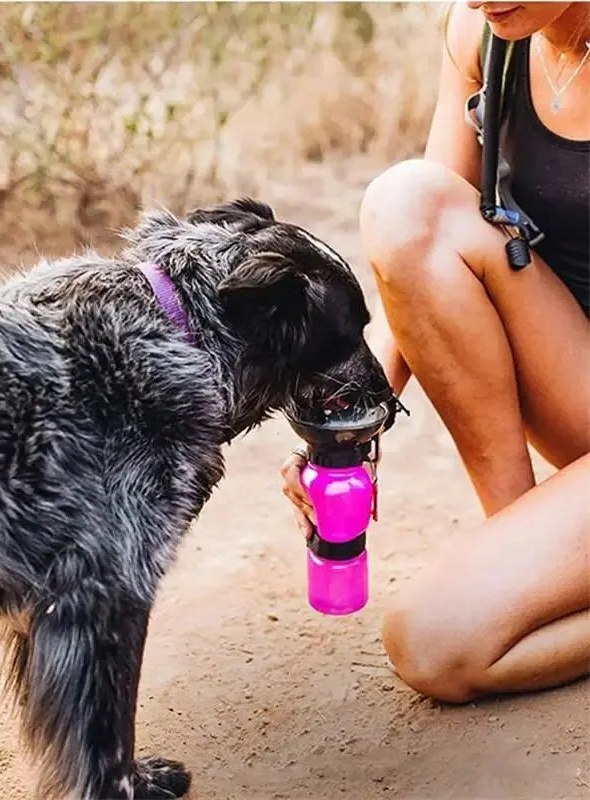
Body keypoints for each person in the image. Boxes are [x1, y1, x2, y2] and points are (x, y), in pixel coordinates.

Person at [280, 1, 589, 704]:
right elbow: (414, 257)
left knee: (435, 645)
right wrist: (345, 429)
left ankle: (528, 579)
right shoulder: (482, 32)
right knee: (404, 202)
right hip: (578, 378)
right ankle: (524, 551)